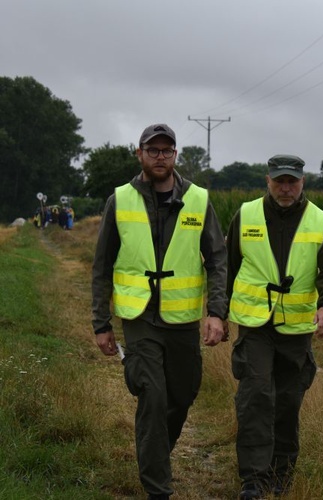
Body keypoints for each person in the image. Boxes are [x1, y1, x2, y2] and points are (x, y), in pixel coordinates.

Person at [91, 123, 228, 500]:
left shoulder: (198, 199)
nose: (160, 157)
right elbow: (102, 265)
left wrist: (216, 312)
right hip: (139, 317)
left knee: (182, 394)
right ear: (140, 154)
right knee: (152, 394)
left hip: (182, 320)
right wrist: (101, 323)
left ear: (175, 156)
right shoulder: (120, 199)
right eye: (153, 150)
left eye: (167, 150)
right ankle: (157, 489)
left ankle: (154, 457)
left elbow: (217, 258)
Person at [225, 154, 323, 499]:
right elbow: (228, 265)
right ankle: (252, 479)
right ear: (268, 180)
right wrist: (216, 312)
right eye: (280, 181)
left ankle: (281, 474)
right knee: (256, 396)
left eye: (292, 181)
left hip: (296, 329)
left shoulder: (320, 221)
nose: (286, 188)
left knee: (288, 401)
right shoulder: (245, 215)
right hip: (255, 324)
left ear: (302, 182)